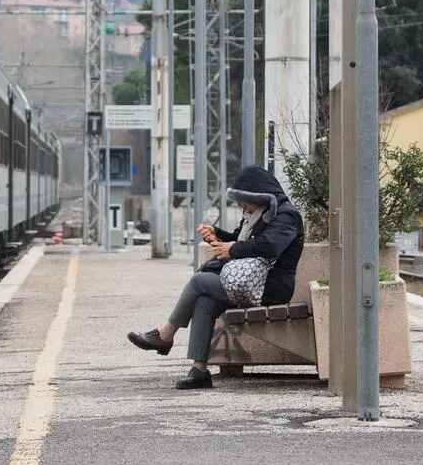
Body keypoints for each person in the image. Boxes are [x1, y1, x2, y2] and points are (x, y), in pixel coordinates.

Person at [126, 165, 304, 389]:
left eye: (244, 199)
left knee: (199, 281)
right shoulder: (255, 214)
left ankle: (166, 333)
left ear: (258, 195)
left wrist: (232, 249)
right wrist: (217, 235)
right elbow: (239, 241)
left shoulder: (287, 216)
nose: (241, 205)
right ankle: (199, 370)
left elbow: (270, 246)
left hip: (272, 287)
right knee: (205, 301)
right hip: (247, 281)